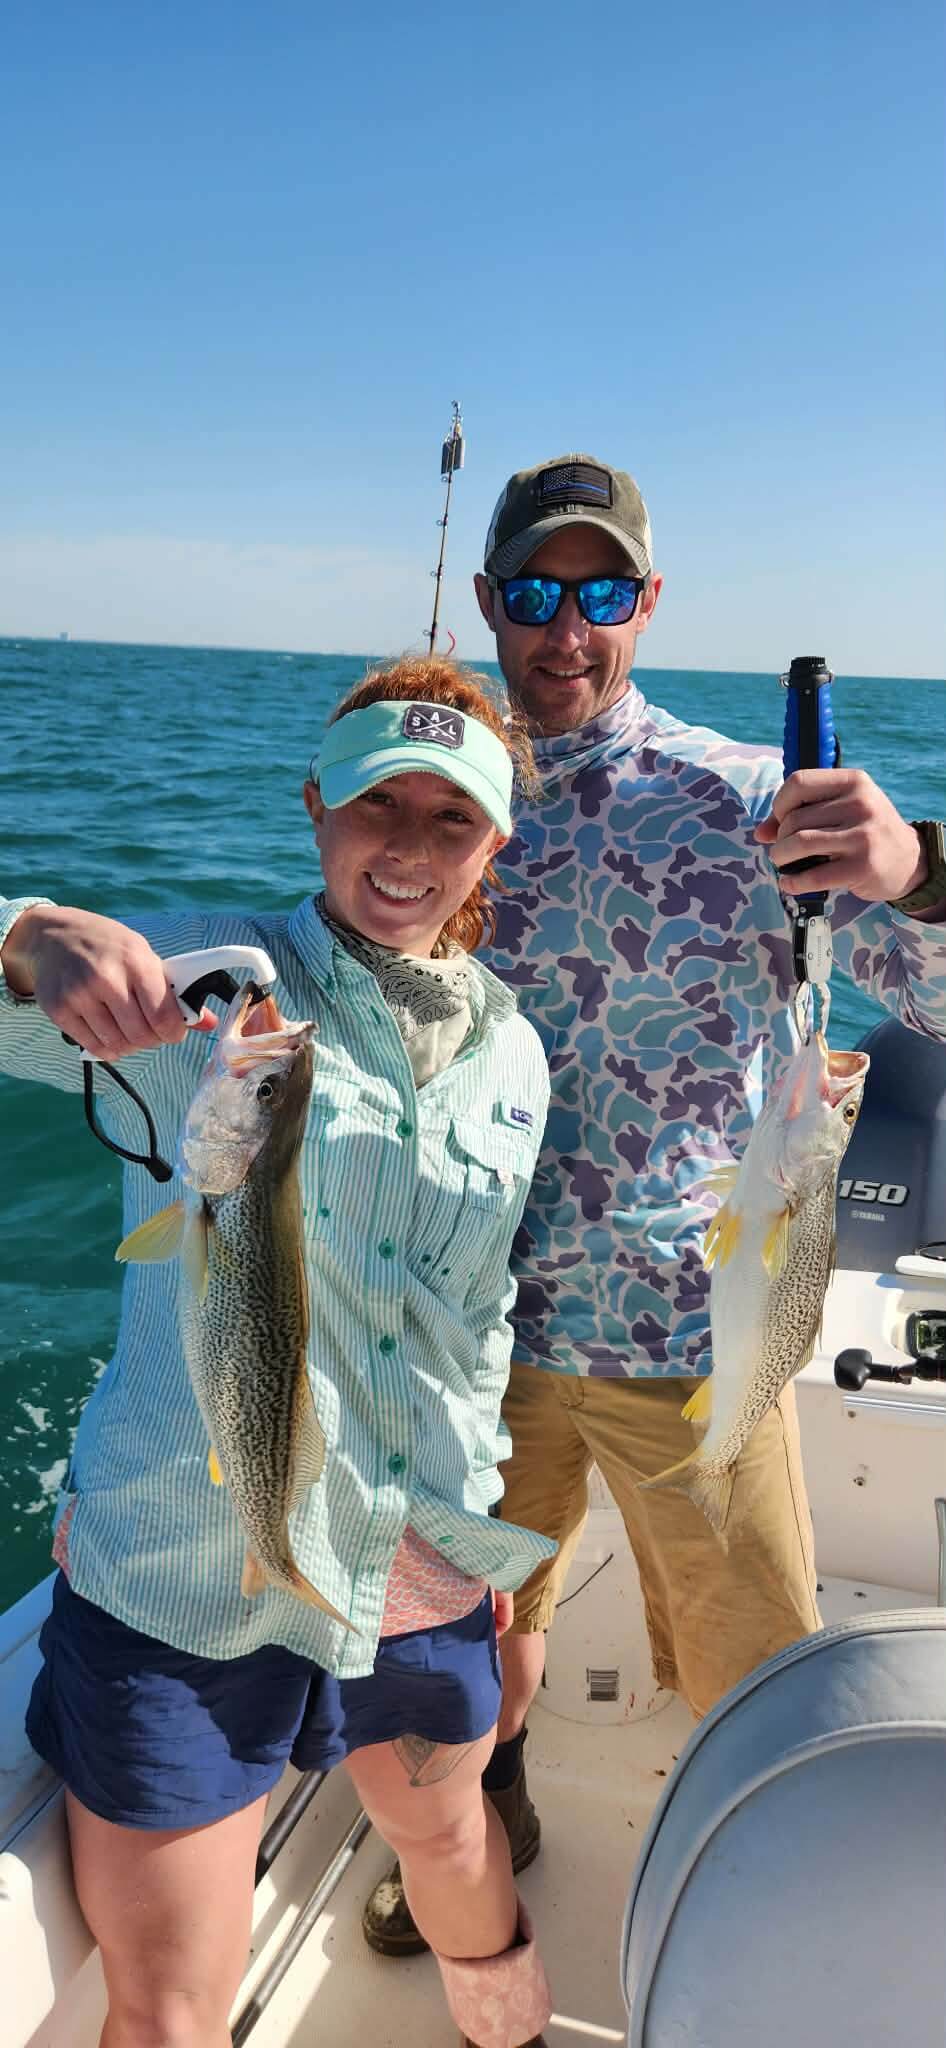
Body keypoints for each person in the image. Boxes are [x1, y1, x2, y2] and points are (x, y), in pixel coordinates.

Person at [362, 453, 946, 1957]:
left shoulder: (750, 800)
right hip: (471, 1334)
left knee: (754, 1660)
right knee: (475, 1626)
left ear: (647, 601)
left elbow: (934, 1002)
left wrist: (916, 874)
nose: (568, 629)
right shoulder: (440, 811)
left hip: (697, 1333)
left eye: (602, 591)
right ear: (488, 602)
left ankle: (780, 1907)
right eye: (536, 592)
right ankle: (489, 1815)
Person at [0, 658, 558, 2048]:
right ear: (317, 805)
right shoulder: (206, 986)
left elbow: (475, 1324)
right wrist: (31, 934)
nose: (409, 845)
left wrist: (478, 1522)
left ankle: (504, 2027)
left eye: (451, 816)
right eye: (378, 805)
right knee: (171, 2003)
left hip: (414, 1557)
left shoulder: (513, 1053)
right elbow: (33, 996)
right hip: (183, 1577)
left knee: (452, 1844)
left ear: (496, 842)